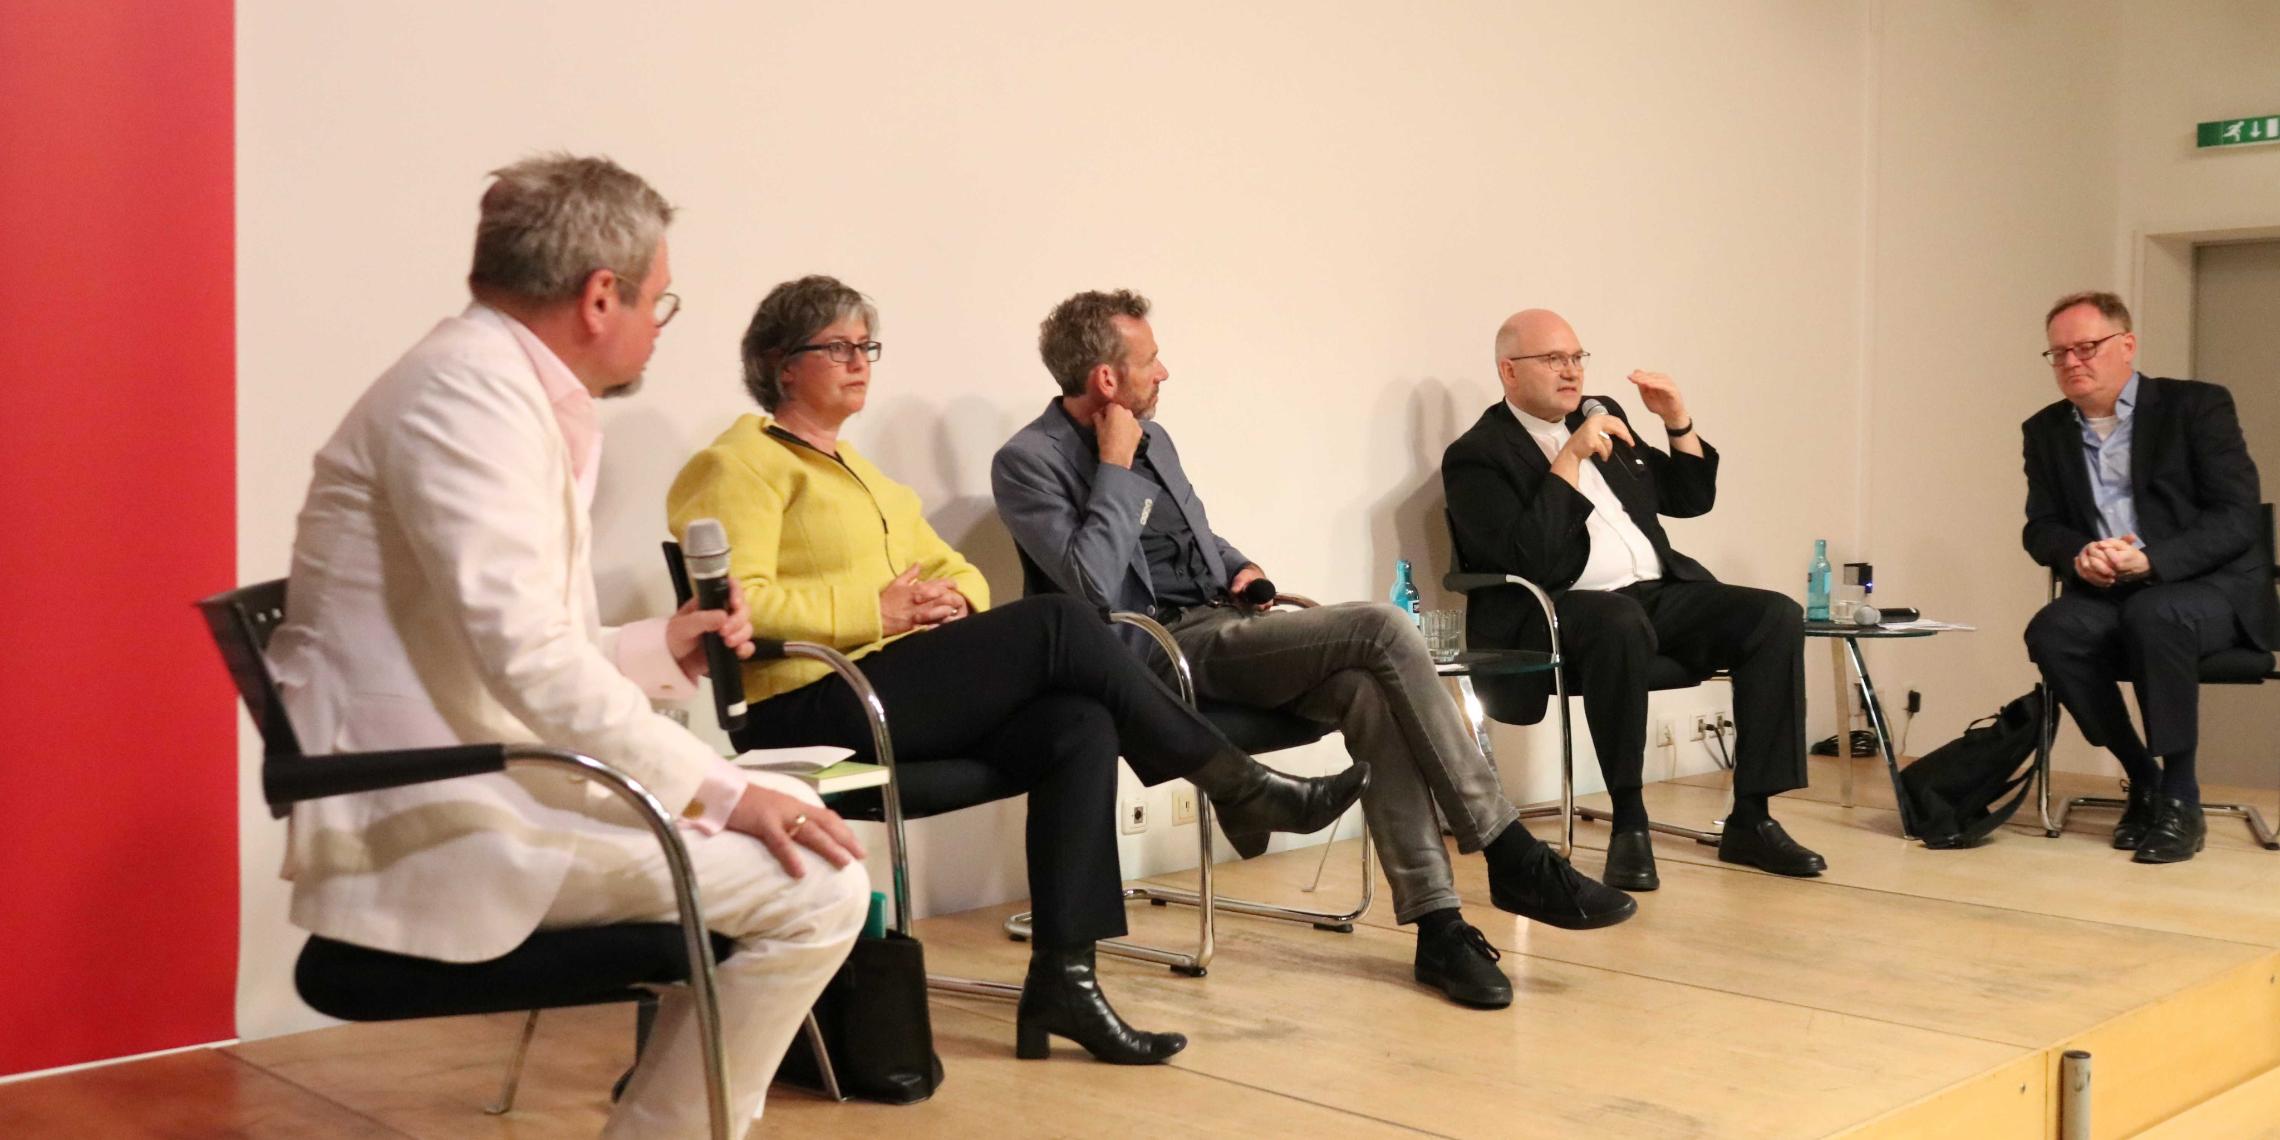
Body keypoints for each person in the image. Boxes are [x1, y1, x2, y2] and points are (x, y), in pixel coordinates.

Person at [266, 154, 871, 1137]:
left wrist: (653, 651)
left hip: (488, 776)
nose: (656, 329)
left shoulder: (485, 383)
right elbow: (524, 656)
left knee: (799, 825)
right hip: (441, 814)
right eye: (659, 304)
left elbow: (517, 639)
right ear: (601, 297)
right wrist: (721, 789)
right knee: (823, 883)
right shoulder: (466, 397)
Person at [665, 275, 1368, 1062]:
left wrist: (951, 599)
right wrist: (880, 608)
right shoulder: (739, 463)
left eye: (866, 345)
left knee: (1078, 722)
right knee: (1063, 618)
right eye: (836, 347)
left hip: (899, 687)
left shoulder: (871, 478)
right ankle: (1239, 782)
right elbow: (737, 608)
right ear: (779, 364)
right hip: (812, 705)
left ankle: (1065, 980)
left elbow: (959, 570)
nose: (859, 361)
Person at [992, 289, 1636, 1013]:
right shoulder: (1028, 463)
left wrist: (1240, 567)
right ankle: (1507, 847)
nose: (1164, 372)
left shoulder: (1158, 441)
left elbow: (1197, 536)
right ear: (1106, 379)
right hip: (1151, 654)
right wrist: (1112, 467)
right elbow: (1091, 584)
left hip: (1224, 624)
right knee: (1383, 627)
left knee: (1369, 687)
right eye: (1149, 361)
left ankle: (1439, 926)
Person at [1442, 308, 1826, 891]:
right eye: (1553, 360)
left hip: (1654, 593)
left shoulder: (1606, 415)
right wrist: (1569, 457)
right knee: (1616, 621)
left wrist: (1677, 422)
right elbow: (1534, 561)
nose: (1570, 372)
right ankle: (1629, 822)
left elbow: (1689, 498)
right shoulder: (1477, 454)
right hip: (1552, 612)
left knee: (1773, 615)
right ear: (1509, 371)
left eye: (1576, 358)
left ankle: (1752, 816)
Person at [2022, 291, 2269, 864]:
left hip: (2205, 588)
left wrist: (2154, 560)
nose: (2072, 362)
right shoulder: (2046, 431)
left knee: (2156, 613)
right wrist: (2079, 552)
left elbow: (2236, 516)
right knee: (2053, 630)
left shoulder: (2196, 407)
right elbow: (2041, 528)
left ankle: (2182, 796)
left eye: (2086, 347)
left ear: (2126, 345)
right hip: (2110, 589)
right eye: (2058, 353)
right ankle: (2143, 779)